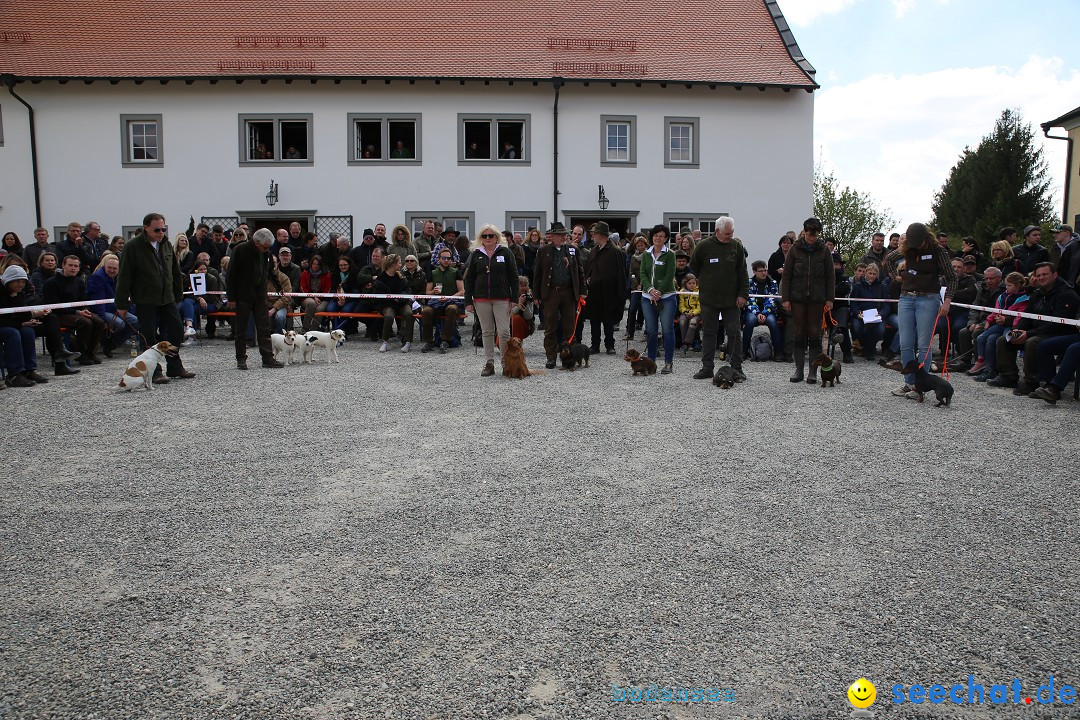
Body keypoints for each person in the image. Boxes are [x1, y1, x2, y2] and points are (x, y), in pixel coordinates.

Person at [113, 213, 195, 382]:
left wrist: (177, 294)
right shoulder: (132, 246)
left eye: (163, 229)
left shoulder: (166, 244)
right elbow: (124, 276)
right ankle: (154, 371)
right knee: (149, 335)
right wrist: (121, 304)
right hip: (145, 299)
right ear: (146, 228)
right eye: (157, 229)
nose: (160, 232)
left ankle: (174, 366)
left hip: (167, 297)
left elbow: (174, 271)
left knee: (177, 330)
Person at [883, 222, 958, 399]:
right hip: (906, 297)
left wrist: (947, 301)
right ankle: (909, 383)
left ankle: (921, 387)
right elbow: (889, 260)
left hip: (928, 298)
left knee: (924, 345)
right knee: (906, 343)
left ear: (927, 238)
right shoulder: (907, 248)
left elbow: (952, 278)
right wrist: (897, 277)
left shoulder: (939, 251)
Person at [988, 262, 1079, 395]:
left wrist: (1028, 334)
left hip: (1059, 332)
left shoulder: (1067, 294)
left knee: (1033, 342)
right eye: (1038, 275)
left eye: (1045, 274)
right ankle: (1008, 376)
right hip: (1037, 330)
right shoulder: (1037, 293)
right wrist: (1018, 330)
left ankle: (1032, 381)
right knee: (1004, 339)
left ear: (1055, 275)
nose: (1041, 278)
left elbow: (1059, 323)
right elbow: (1026, 315)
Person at [690, 216, 749, 381]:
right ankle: (707, 367)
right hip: (709, 298)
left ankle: (737, 367)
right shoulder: (703, 246)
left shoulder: (736, 247)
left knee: (734, 333)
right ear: (717, 231)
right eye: (727, 233)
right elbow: (694, 265)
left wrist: (743, 294)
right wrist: (705, 280)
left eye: (731, 233)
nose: (730, 236)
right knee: (709, 332)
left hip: (731, 300)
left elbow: (743, 273)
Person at [780, 218, 835, 384]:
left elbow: (830, 275)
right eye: (811, 234)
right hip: (797, 298)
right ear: (804, 232)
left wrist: (830, 298)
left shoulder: (824, 250)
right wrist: (785, 298)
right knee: (799, 332)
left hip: (817, 299)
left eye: (816, 235)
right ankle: (799, 370)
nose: (813, 238)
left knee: (814, 333)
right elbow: (787, 275)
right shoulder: (794, 250)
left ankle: (813, 371)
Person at [225, 228, 285, 370]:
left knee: (264, 327)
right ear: (256, 243)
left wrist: (278, 286)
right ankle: (241, 359)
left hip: (259, 295)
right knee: (241, 329)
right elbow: (231, 275)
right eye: (265, 247)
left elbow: (270, 270)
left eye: (268, 247)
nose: (267, 249)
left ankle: (268, 358)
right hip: (243, 295)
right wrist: (232, 297)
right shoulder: (240, 250)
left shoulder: (266, 252)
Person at [464, 224, 518, 376]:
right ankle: (489, 363)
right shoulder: (476, 254)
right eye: (484, 236)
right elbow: (469, 279)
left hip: (502, 298)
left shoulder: (506, 253)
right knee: (487, 331)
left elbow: (514, 276)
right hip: (481, 299)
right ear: (481, 238)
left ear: (497, 237)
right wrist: (468, 301)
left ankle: (505, 363)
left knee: (504, 332)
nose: (487, 238)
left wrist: (514, 298)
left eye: (491, 235)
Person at [533, 221, 585, 370]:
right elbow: (537, 275)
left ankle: (570, 357)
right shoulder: (543, 251)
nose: (563, 237)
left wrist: (583, 291)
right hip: (551, 293)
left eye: (564, 234)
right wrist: (536, 295)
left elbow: (579, 272)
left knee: (570, 327)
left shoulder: (572, 250)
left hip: (569, 292)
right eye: (560, 235)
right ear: (552, 236)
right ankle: (551, 357)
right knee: (550, 327)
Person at [43, 255, 107, 365]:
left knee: (99, 322)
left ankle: (90, 352)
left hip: (77, 312)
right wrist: (78, 312)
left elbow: (84, 300)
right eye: (70, 265)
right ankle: (81, 354)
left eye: (76, 266)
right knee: (85, 322)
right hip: (58, 314)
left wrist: (85, 310)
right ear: (63, 265)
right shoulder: (51, 283)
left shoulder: (79, 282)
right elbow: (54, 305)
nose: (73, 268)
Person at [970, 272, 1028, 383]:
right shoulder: (1002, 296)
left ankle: (1003, 372)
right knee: (982, 337)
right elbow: (996, 310)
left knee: (1003, 340)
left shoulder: (1024, 299)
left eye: (1009, 285)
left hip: (1011, 326)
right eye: (1006, 285)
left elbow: (1021, 315)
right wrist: (989, 320)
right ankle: (983, 363)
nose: (1007, 288)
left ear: (1018, 285)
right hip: (999, 324)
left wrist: (1014, 326)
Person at [580, 221, 627, 355]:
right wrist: (588, 277)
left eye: (595, 233)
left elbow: (620, 275)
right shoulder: (594, 250)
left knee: (608, 320)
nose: (593, 236)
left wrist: (619, 294)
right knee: (594, 320)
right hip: (594, 292)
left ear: (602, 235)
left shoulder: (614, 252)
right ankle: (595, 345)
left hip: (609, 293)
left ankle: (609, 345)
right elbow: (589, 267)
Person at [0, 266, 51, 386]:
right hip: (5, 326)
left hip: (10, 324)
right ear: (8, 280)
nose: (21, 284)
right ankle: (14, 374)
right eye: (17, 281)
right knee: (13, 333)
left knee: (27, 331)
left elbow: (24, 315)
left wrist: (15, 296)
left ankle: (29, 370)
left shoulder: (18, 293)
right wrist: (20, 323)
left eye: (23, 281)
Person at [639, 224, 678, 374]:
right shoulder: (646, 254)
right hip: (647, 296)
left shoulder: (670, 254)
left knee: (667, 330)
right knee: (651, 330)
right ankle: (650, 362)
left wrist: (659, 292)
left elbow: (670, 275)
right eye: (656, 235)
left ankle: (668, 362)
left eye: (661, 236)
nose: (658, 238)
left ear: (666, 238)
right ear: (652, 237)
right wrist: (650, 290)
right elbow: (643, 273)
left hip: (666, 297)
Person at [87, 253, 140, 353]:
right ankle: (104, 340)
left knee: (136, 322)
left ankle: (112, 344)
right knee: (120, 324)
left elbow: (127, 296)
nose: (112, 270)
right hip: (102, 310)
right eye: (109, 268)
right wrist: (102, 319)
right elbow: (98, 302)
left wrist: (129, 311)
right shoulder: (97, 278)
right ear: (105, 266)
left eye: (114, 268)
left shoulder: (121, 277)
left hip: (116, 308)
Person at [421, 248, 465, 352]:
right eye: (444, 258)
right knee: (426, 311)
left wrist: (449, 297)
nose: (446, 260)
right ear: (439, 259)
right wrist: (434, 292)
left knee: (451, 309)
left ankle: (445, 340)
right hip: (436, 302)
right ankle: (428, 342)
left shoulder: (456, 272)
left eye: (448, 258)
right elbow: (427, 292)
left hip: (453, 301)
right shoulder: (433, 273)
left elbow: (462, 291)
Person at [373, 254, 415, 353]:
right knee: (389, 316)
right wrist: (393, 299)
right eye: (399, 262)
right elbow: (378, 296)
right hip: (387, 304)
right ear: (392, 264)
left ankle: (408, 341)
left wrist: (399, 298)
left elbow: (408, 290)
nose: (401, 264)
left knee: (409, 314)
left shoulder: (401, 277)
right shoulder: (380, 279)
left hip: (402, 303)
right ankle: (385, 341)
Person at [849, 262, 889, 362]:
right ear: (866, 273)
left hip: (877, 315)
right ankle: (867, 349)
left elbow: (886, 304)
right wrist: (857, 313)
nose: (872, 276)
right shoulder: (858, 286)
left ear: (877, 275)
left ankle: (870, 348)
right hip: (861, 314)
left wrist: (882, 314)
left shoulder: (883, 287)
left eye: (874, 274)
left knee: (880, 330)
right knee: (857, 328)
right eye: (870, 273)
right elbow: (853, 303)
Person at [744, 260, 782, 360]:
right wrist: (757, 314)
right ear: (754, 271)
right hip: (753, 311)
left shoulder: (773, 283)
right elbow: (750, 300)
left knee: (773, 323)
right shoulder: (749, 283)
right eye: (761, 271)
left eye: (765, 270)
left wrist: (765, 313)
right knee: (750, 322)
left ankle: (778, 352)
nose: (764, 273)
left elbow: (772, 299)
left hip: (768, 311)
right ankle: (743, 350)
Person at [623, 234, 648, 341]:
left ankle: (648, 333)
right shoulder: (633, 257)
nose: (640, 247)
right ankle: (630, 332)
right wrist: (635, 283)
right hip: (635, 287)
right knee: (632, 309)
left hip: (646, 286)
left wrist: (642, 283)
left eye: (642, 245)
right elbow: (631, 272)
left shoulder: (648, 256)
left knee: (646, 310)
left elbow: (647, 271)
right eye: (638, 246)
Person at [299, 254, 331, 332]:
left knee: (319, 309)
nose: (315, 266)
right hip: (307, 297)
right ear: (311, 264)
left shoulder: (326, 274)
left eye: (317, 264)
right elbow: (303, 288)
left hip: (323, 298)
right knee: (311, 304)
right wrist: (314, 297)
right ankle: (305, 329)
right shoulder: (305, 273)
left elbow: (328, 288)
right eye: (314, 264)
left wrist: (319, 298)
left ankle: (313, 330)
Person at [677, 274, 702, 353]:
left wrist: (693, 313)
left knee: (693, 322)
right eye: (689, 283)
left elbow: (699, 306)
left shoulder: (699, 292)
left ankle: (686, 343)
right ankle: (685, 343)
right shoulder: (682, 292)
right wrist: (685, 312)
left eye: (693, 283)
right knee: (682, 321)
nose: (692, 285)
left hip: (696, 313)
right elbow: (681, 305)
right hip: (685, 312)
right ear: (685, 284)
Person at [509, 276, 535, 342]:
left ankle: (517, 345)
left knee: (516, 318)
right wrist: (519, 304)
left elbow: (528, 316)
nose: (524, 288)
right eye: (521, 285)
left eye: (525, 285)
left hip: (524, 326)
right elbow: (508, 314)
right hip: (507, 326)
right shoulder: (509, 296)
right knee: (499, 343)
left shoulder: (529, 296)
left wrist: (526, 303)